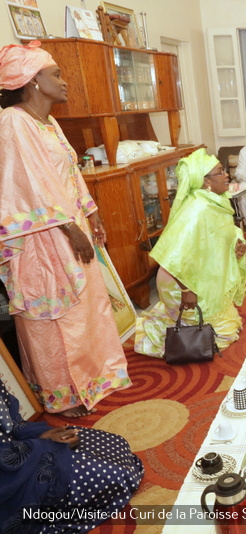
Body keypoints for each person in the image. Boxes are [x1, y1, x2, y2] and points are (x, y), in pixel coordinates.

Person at [0, 41, 130, 418]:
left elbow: (68, 174)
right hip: (40, 238)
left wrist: (91, 212)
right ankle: (61, 395)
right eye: (55, 73)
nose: (63, 79)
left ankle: (91, 378)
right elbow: (24, 186)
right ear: (32, 81)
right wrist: (69, 229)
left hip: (70, 228)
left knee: (85, 311)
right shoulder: (13, 122)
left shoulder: (49, 122)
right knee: (53, 320)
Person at [135, 149, 246, 357]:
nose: (226, 174)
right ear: (206, 181)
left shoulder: (215, 201)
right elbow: (174, 255)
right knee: (221, 334)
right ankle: (161, 333)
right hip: (181, 280)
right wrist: (186, 290)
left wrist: (237, 243)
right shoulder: (198, 209)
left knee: (229, 324)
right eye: (220, 172)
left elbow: (223, 232)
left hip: (203, 274)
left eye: (224, 170)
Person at [0, 381, 144, 532]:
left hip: (19, 447)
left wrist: (39, 434)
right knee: (116, 474)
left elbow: (11, 421)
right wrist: (44, 444)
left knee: (115, 445)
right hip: (10, 478)